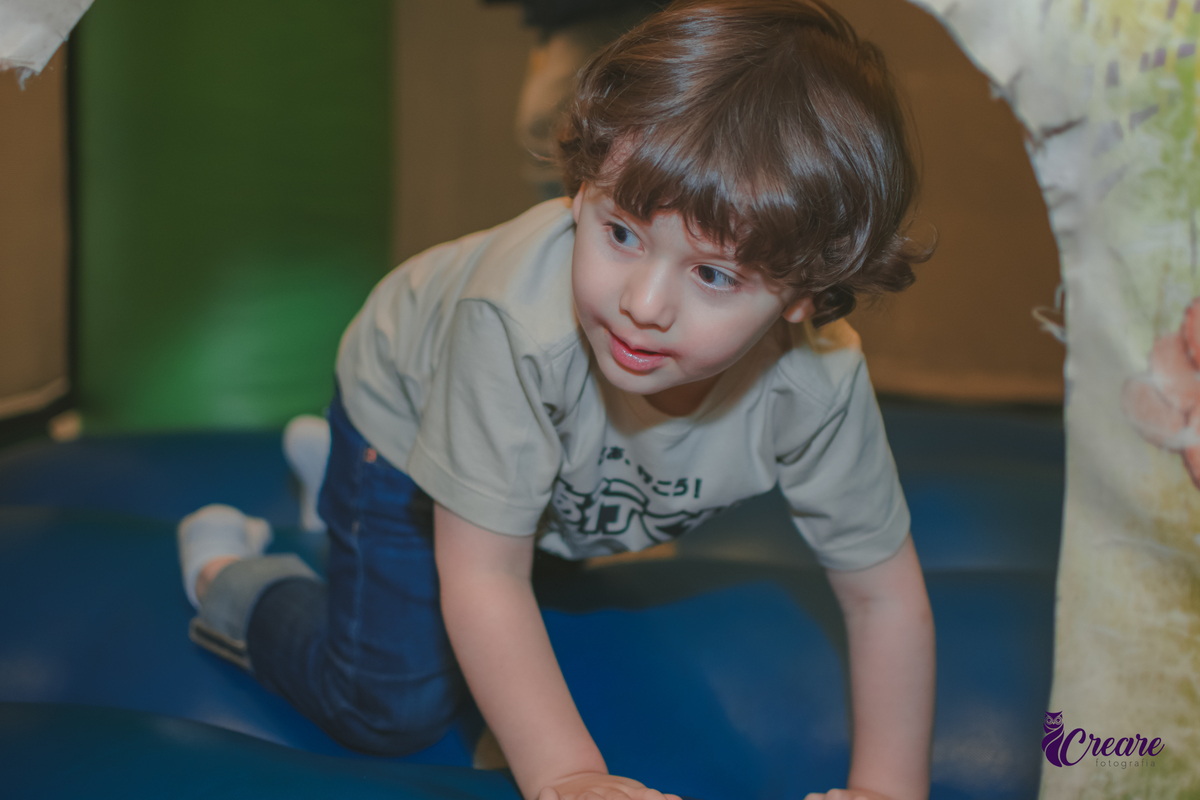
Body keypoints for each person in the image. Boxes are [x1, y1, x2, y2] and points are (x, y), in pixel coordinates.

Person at [176, 2, 936, 799]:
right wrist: (567, 776)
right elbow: (485, 573)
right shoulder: (514, 327)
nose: (643, 303)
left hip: (529, 441)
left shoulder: (818, 383)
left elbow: (883, 597)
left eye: (713, 274)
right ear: (579, 193)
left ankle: (332, 482)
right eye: (623, 233)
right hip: (402, 408)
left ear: (804, 296)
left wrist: (887, 790)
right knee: (388, 706)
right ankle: (227, 570)